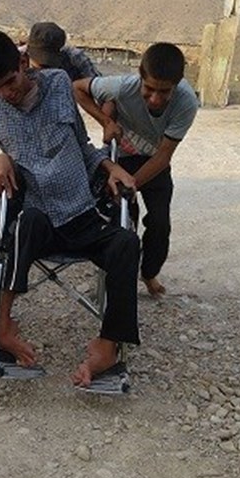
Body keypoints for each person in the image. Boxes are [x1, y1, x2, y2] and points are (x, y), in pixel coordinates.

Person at [0, 30, 140, 387]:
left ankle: (108, 347)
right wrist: (1, 158)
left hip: (81, 214)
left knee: (126, 243)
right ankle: (2, 327)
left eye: (9, 82)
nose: (4, 94)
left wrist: (110, 166)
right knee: (26, 223)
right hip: (39, 220)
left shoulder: (59, 84)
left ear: (23, 63)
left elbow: (82, 144)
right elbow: (10, 151)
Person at [73, 42, 198, 298]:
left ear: (177, 84)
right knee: (121, 221)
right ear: (140, 76)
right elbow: (77, 88)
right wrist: (106, 121)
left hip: (155, 164)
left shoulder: (187, 103)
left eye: (165, 92)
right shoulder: (122, 86)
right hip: (121, 159)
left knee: (160, 224)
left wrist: (130, 185)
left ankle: (149, 273)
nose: (155, 99)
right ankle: (117, 278)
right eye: (149, 89)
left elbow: (163, 157)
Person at [22, 21, 100, 81]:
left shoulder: (74, 58)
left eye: (48, 66)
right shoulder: (18, 60)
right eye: (39, 64)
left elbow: (94, 84)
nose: (44, 70)